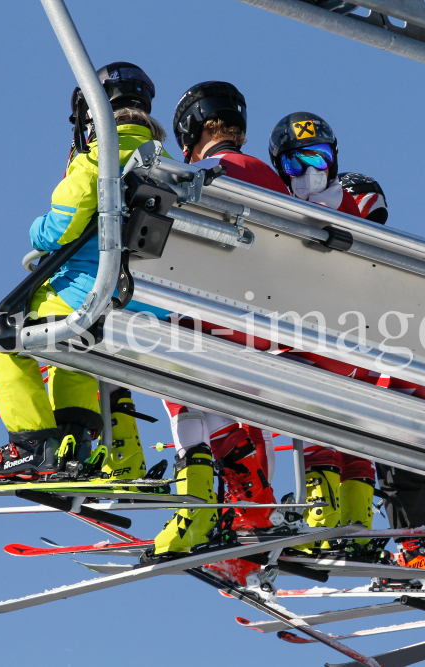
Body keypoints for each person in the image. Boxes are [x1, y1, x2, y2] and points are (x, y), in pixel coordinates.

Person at [0, 62, 164, 485]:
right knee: (69, 342)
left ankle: (32, 445)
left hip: (100, 296)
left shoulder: (101, 155)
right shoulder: (174, 168)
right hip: (155, 310)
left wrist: (36, 230)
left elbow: (59, 228)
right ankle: (74, 442)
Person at [148, 82, 289, 561]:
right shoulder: (274, 180)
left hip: (215, 322)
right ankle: (250, 504)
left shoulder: (201, 174)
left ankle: (200, 500)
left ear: (192, 127)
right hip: (273, 330)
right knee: (208, 386)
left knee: (162, 366)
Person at [267, 119, 378, 551]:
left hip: (325, 337)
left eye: (320, 158)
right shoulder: (329, 203)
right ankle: (355, 512)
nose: (310, 171)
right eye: (297, 161)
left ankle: (321, 504)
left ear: (335, 160)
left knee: (300, 394)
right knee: (346, 420)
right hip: (345, 343)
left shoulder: (329, 208)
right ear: (282, 165)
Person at [268, 112, 361, 216]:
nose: (310, 171)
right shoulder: (274, 207)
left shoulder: (346, 206)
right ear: (282, 170)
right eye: (295, 165)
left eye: (318, 160)